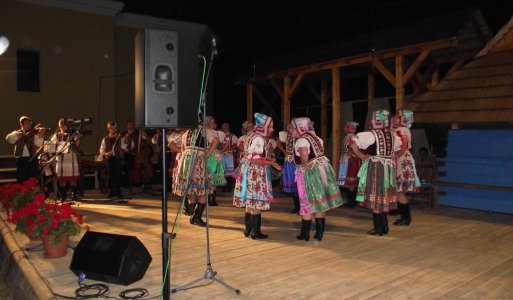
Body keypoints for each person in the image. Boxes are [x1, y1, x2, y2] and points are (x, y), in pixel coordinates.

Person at [291, 117, 343, 241]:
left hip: (309, 173)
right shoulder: (316, 138)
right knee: (320, 202)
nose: (291, 132)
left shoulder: (302, 140)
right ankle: (319, 233)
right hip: (322, 170)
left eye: (292, 129)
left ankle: (305, 234)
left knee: (306, 201)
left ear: (299, 128)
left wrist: (304, 163)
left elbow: (304, 153)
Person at [349, 110, 400, 236]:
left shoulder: (372, 134)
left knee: (376, 196)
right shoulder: (392, 135)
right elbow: (397, 150)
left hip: (376, 167)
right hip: (388, 167)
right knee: (383, 197)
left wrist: (361, 155)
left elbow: (352, 142)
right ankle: (384, 227)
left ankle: (378, 228)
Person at [233, 113, 282, 239]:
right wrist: (272, 163)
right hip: (255, 172)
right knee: (255, 202)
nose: (272, 129)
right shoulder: (259, 139)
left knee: (250, 202)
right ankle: (255, 231)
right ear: (263, 127)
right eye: (270, 127)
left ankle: (248, 229)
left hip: (248, 170)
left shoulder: (251, 136)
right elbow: (255, 160)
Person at [173, 121, 218, 226]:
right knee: (204, 190)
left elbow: (171, 143)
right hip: (198, 160)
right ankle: (196, 217)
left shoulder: (185, 132)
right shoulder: (204, 132)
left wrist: (183, 152)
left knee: (191, 189)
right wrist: (207, 154)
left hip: (186, 161)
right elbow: (215, 141)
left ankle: (192, 212)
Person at [391, 110, 420, 226]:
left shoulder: (402, 130)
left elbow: (404, 145)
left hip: (402, 160)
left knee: (400, 190)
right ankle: (403, 215)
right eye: (393, 119)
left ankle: (406, 218)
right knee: (399, 190)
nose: (394, 121)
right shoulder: (398, 130)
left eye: (397, 119)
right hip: (400, 159)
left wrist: (396, 155)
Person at [5, 116, 45, 183]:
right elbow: (9, 139)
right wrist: (19, 134)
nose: (29, 125)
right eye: (27, 123)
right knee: (22, 179)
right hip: (22, 160)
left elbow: (38, 145)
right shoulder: (17, 133)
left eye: (30, 123)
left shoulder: (34, 134)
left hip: (32, 160)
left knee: (33, 179)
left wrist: (40, 135)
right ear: (22, 124)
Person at [51, 119, 81, 201]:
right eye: (61, 123)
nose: (63, 125)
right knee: (61, 178)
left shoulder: (72, 134)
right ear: (59, 125)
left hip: (70, 157)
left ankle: (74, 194)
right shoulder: (56, 135)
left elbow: (77, 145)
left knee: (73, 177)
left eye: (64, 124)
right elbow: (51, 146)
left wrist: (78, 137)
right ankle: (63, 196)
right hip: (61, 158)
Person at [337, 121, 361, 207]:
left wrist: (349, 154)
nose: (344, 128)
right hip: (348, 159)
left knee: (351, 181)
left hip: (351, 160)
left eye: (346, 127)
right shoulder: (349, 136)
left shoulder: (352, 137)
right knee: (348, 181)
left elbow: (355, 148)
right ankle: (350, 201)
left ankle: (352, 202)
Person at [277, 125, 300, 213]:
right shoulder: (286, 135)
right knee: (293, 184)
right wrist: (285, 152)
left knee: (299, 184)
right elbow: (278, 142)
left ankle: (302, 207)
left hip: (298, 161)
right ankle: (297, 207)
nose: (289, 128)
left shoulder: (300, 135)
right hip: (289, 161)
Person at [99, 121, 124, 200]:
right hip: (109, 159)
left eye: (114, 128)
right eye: (110, 128)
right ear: (108, 129)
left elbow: (125, 147)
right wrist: (106, 153)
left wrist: (122, 150)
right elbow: (101, 150)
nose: (112, 130)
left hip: (117, 158)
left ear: (116, 128)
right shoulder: (105, 139)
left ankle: (118, 192)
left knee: (118, 175)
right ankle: (111, 191)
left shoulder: (120, 138)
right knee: (110, 176)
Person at [206, 116, 227, 206]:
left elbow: (223, 143)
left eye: (213, 122)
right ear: (207, 123)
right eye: (211, 122)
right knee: (206, 175)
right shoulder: (203, 131)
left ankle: (211, 199)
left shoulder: (214, 132)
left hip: (211, 154)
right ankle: (207, 198)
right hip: (206, 153)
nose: (213, 124)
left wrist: (220, 150)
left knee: (213, 175)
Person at [220, 122, 238, 193]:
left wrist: (228, 148)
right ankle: (223, 187)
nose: (225, 129)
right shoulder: (220, 135)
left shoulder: (233, 136)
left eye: (226, 127)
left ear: (228, 128)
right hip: (222, 155)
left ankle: (229, 187)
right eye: (223, 127)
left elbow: (236, 145)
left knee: (230, 172)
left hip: (229, 156)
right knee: (222, 171)